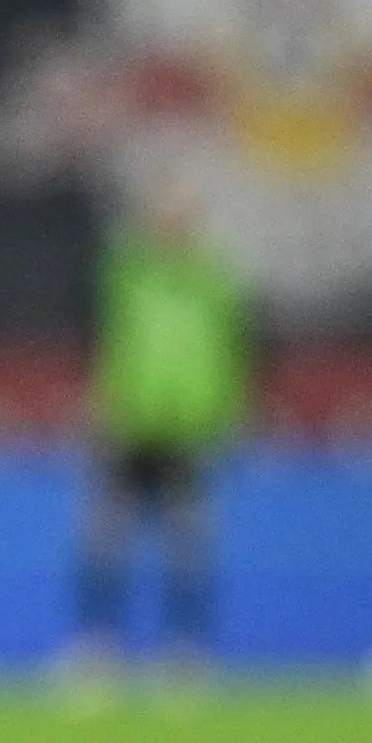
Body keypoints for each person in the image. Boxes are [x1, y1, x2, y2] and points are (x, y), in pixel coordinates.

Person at [67, 187, 248, 696]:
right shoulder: (126, 275)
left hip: (190, 428)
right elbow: (101, 340)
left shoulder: (215, 282)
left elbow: (234, 351)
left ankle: (184, 651)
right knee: (106, 538)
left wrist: (228, 414)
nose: (174, 225)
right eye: (165, 215)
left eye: (183, 215)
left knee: (187, 544)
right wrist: (99, 404)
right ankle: (97, 648)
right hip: (129, 424)